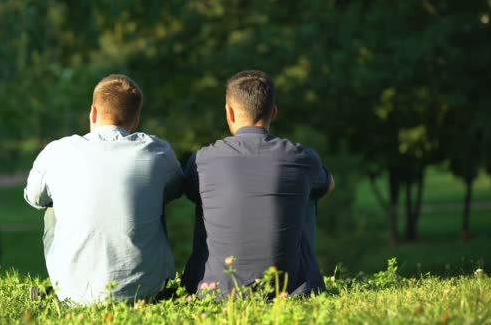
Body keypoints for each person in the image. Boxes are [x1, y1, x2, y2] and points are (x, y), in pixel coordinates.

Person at [24, 74, 184, 305]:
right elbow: (176, 188)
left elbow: (35, 197)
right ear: (136, 120)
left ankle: (69, 281)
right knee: (154, 196)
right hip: (145, 292)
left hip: (74, 295)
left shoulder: (58, 152)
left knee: (51, 207)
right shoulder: (158, 151)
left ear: (93, 112)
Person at [181, 70, 334, 297]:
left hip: (216, 292)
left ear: (230, 112)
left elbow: (189, 191)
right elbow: (328, 184)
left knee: (208, 196)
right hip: (287, 288)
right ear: (273, 112)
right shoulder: (301, 158)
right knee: (308, 189)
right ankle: (298, 280)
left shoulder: (202, 160)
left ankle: (214, 278)